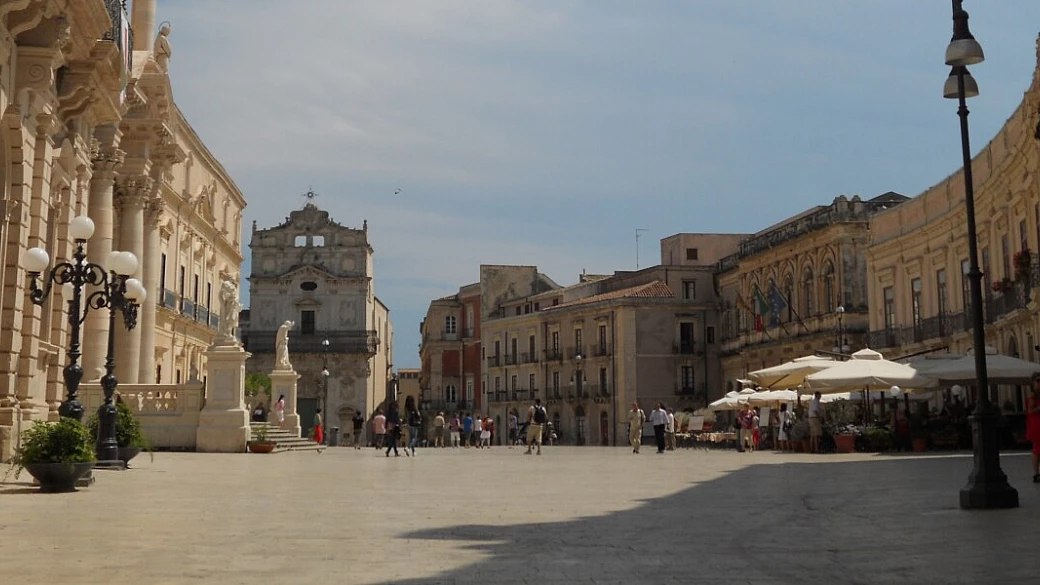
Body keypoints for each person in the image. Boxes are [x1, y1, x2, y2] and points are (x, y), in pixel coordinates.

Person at [1027, 374, 1040, 483]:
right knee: (1037, 449)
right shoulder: (1033, 396)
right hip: (1037, 424)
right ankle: (1036, 473)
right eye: (1038, 380)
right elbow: (1030, 410)